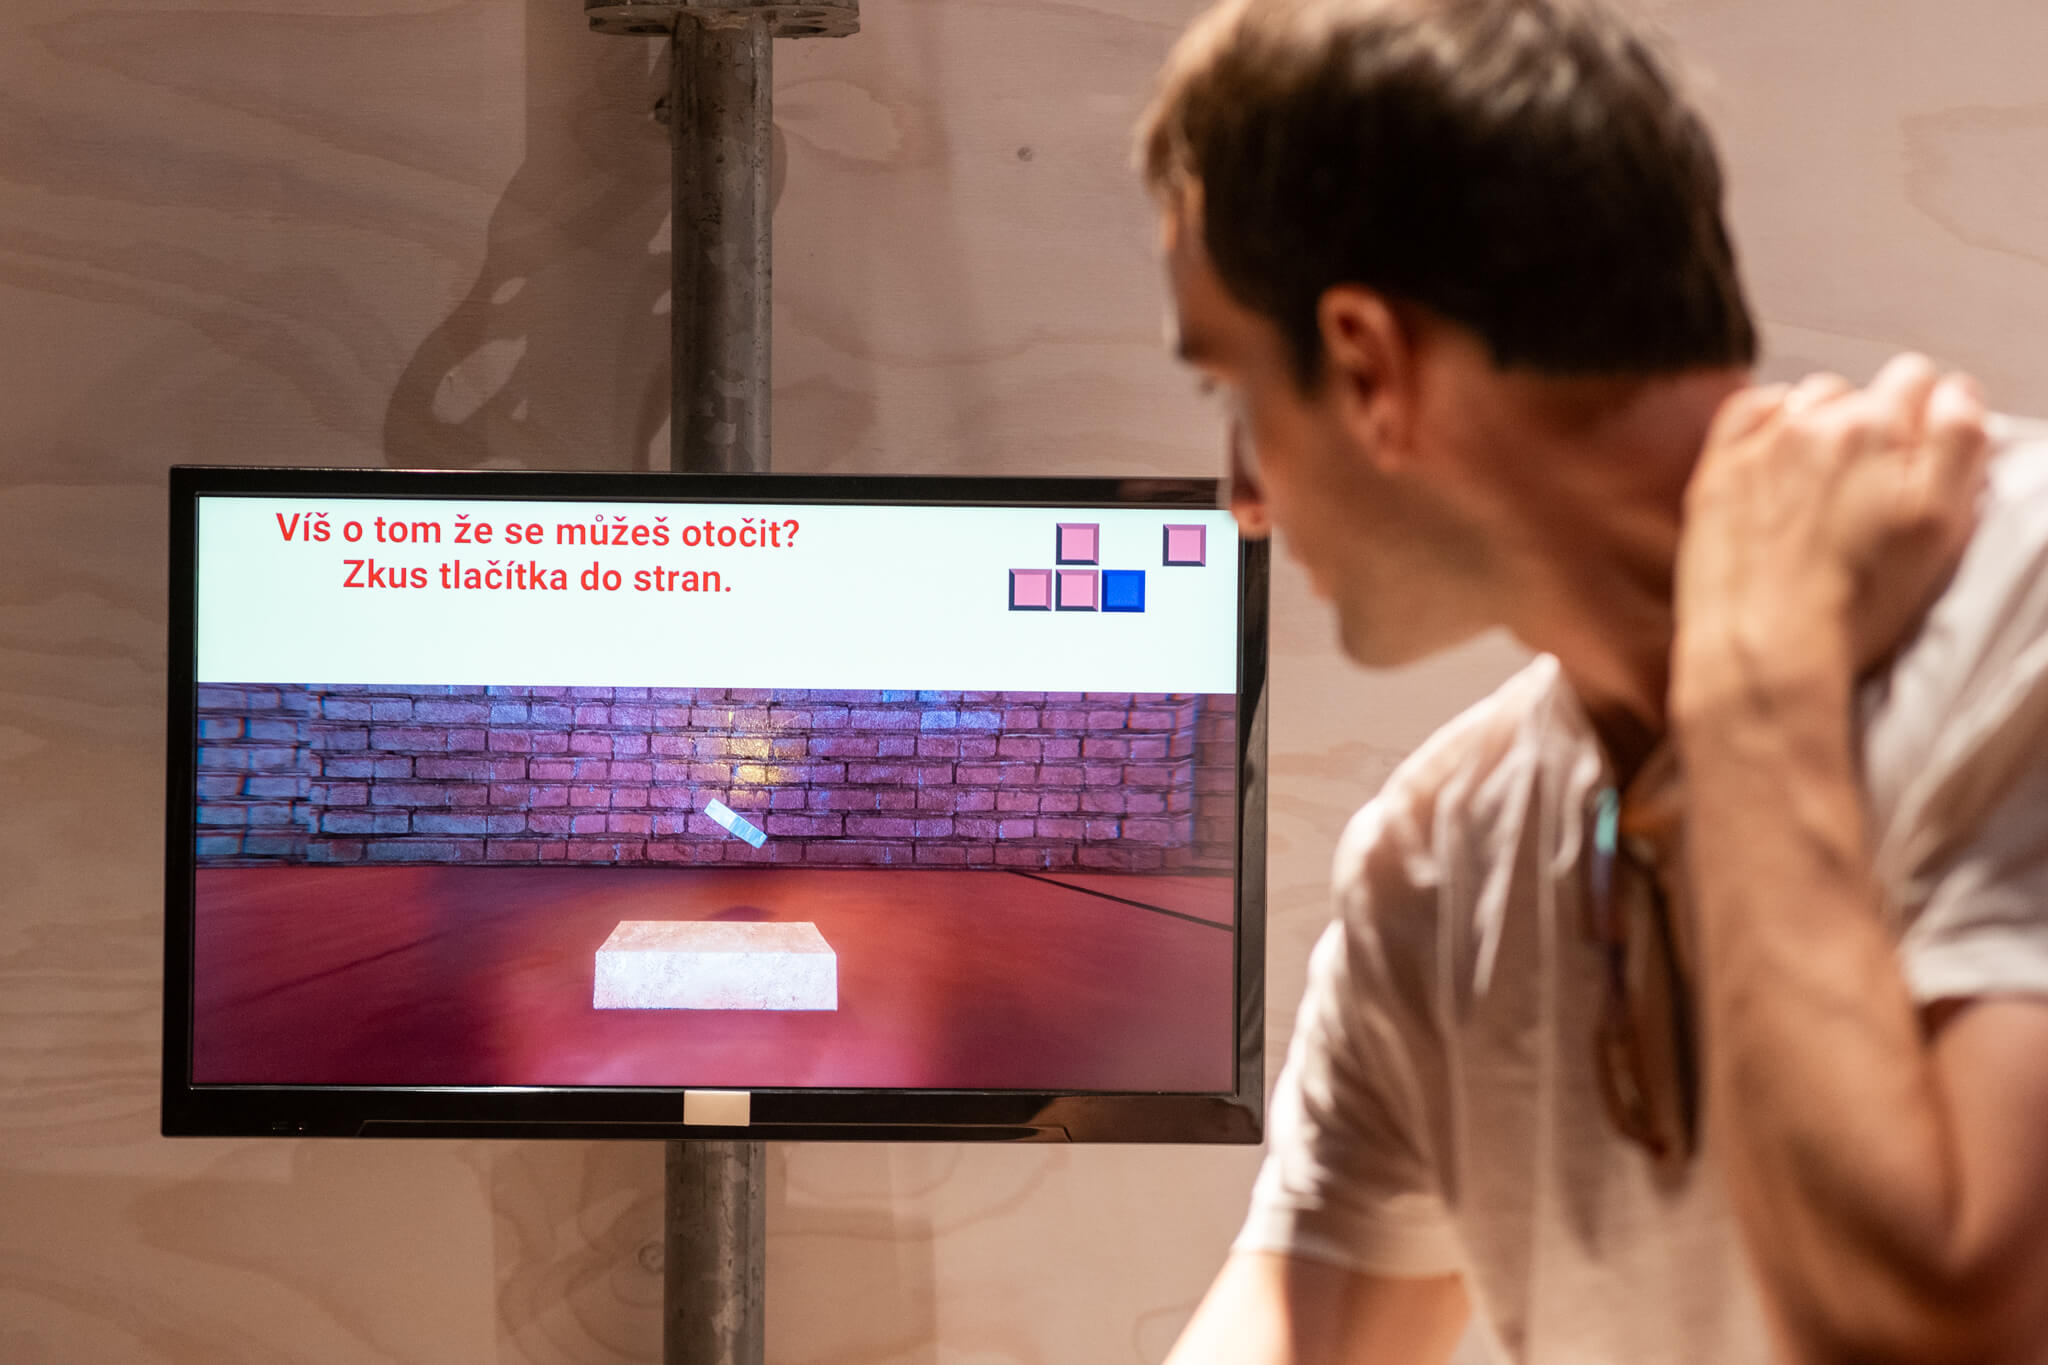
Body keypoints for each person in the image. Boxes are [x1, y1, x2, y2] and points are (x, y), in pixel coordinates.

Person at [1133, 1, 2048, 1361]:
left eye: (1235, 397)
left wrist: (1749, 703)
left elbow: (1940, 1331)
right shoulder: (1439, 863)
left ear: (1370, 363)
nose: (1242, 500)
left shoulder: (2024, 617)